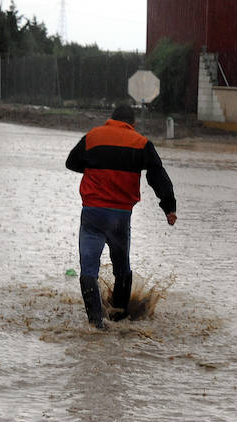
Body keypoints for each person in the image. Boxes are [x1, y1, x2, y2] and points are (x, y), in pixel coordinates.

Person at [65, 104, 177, 329]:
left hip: (92, 214)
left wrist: (95, 169)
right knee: (122, 268)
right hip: (120, 216)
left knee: (88, 269)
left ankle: (96, 324)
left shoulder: (93, 136)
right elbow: (157, 175)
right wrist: (169, 207)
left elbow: (71, 162)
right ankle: (121, 319)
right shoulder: (141, 142)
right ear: (132, 123)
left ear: (110, 119)